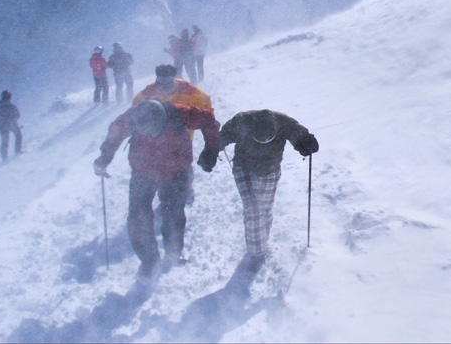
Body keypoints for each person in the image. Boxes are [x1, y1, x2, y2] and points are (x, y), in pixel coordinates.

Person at [94, 98, 220, 281]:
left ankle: (174, 253)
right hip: (143, 172)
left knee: (174, 213)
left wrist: (211, 148)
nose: (151, 135)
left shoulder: (179, 113)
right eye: (147, 132)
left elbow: (208, 120)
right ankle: (149, 261)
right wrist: (104, 157)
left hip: (176, 171)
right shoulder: (132, 117)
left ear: (162, 118)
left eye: (154, 130)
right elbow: (116, 131)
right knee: (138, 217)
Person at [199, 109, 318, 266]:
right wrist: (211, 151)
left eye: (267, 140)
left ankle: (260, 241)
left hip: (271, 169)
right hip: (245, 167)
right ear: (252, 128)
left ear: (275, 129)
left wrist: (306, 143)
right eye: (259, 139)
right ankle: (256, 254)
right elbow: (222, 137)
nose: (263, 142)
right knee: (254, 210)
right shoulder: (242, 121)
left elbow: (300, 135)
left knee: (265, 209)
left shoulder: (285, 123)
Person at [132, 64, 216, 205]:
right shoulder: (147, 93)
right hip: (154, 137)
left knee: (181, 166)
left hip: (182, 137)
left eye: (167, 81)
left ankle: (184, 189)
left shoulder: (190, 91)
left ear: (174, 79)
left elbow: (206, 107)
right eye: (160, 81)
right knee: (159, 165)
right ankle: (167, 195)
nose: (164, 85)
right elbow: (136, 112)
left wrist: (205, 122)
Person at [0, 90, 22, 162]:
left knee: (4, 141)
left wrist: (0, 120)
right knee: (18, 136)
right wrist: (12, 119)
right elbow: (17, 115)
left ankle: (4, 158)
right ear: (9, 97)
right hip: (12, 124)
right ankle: (17, 151)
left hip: (2, 126)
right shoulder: (11, 106)